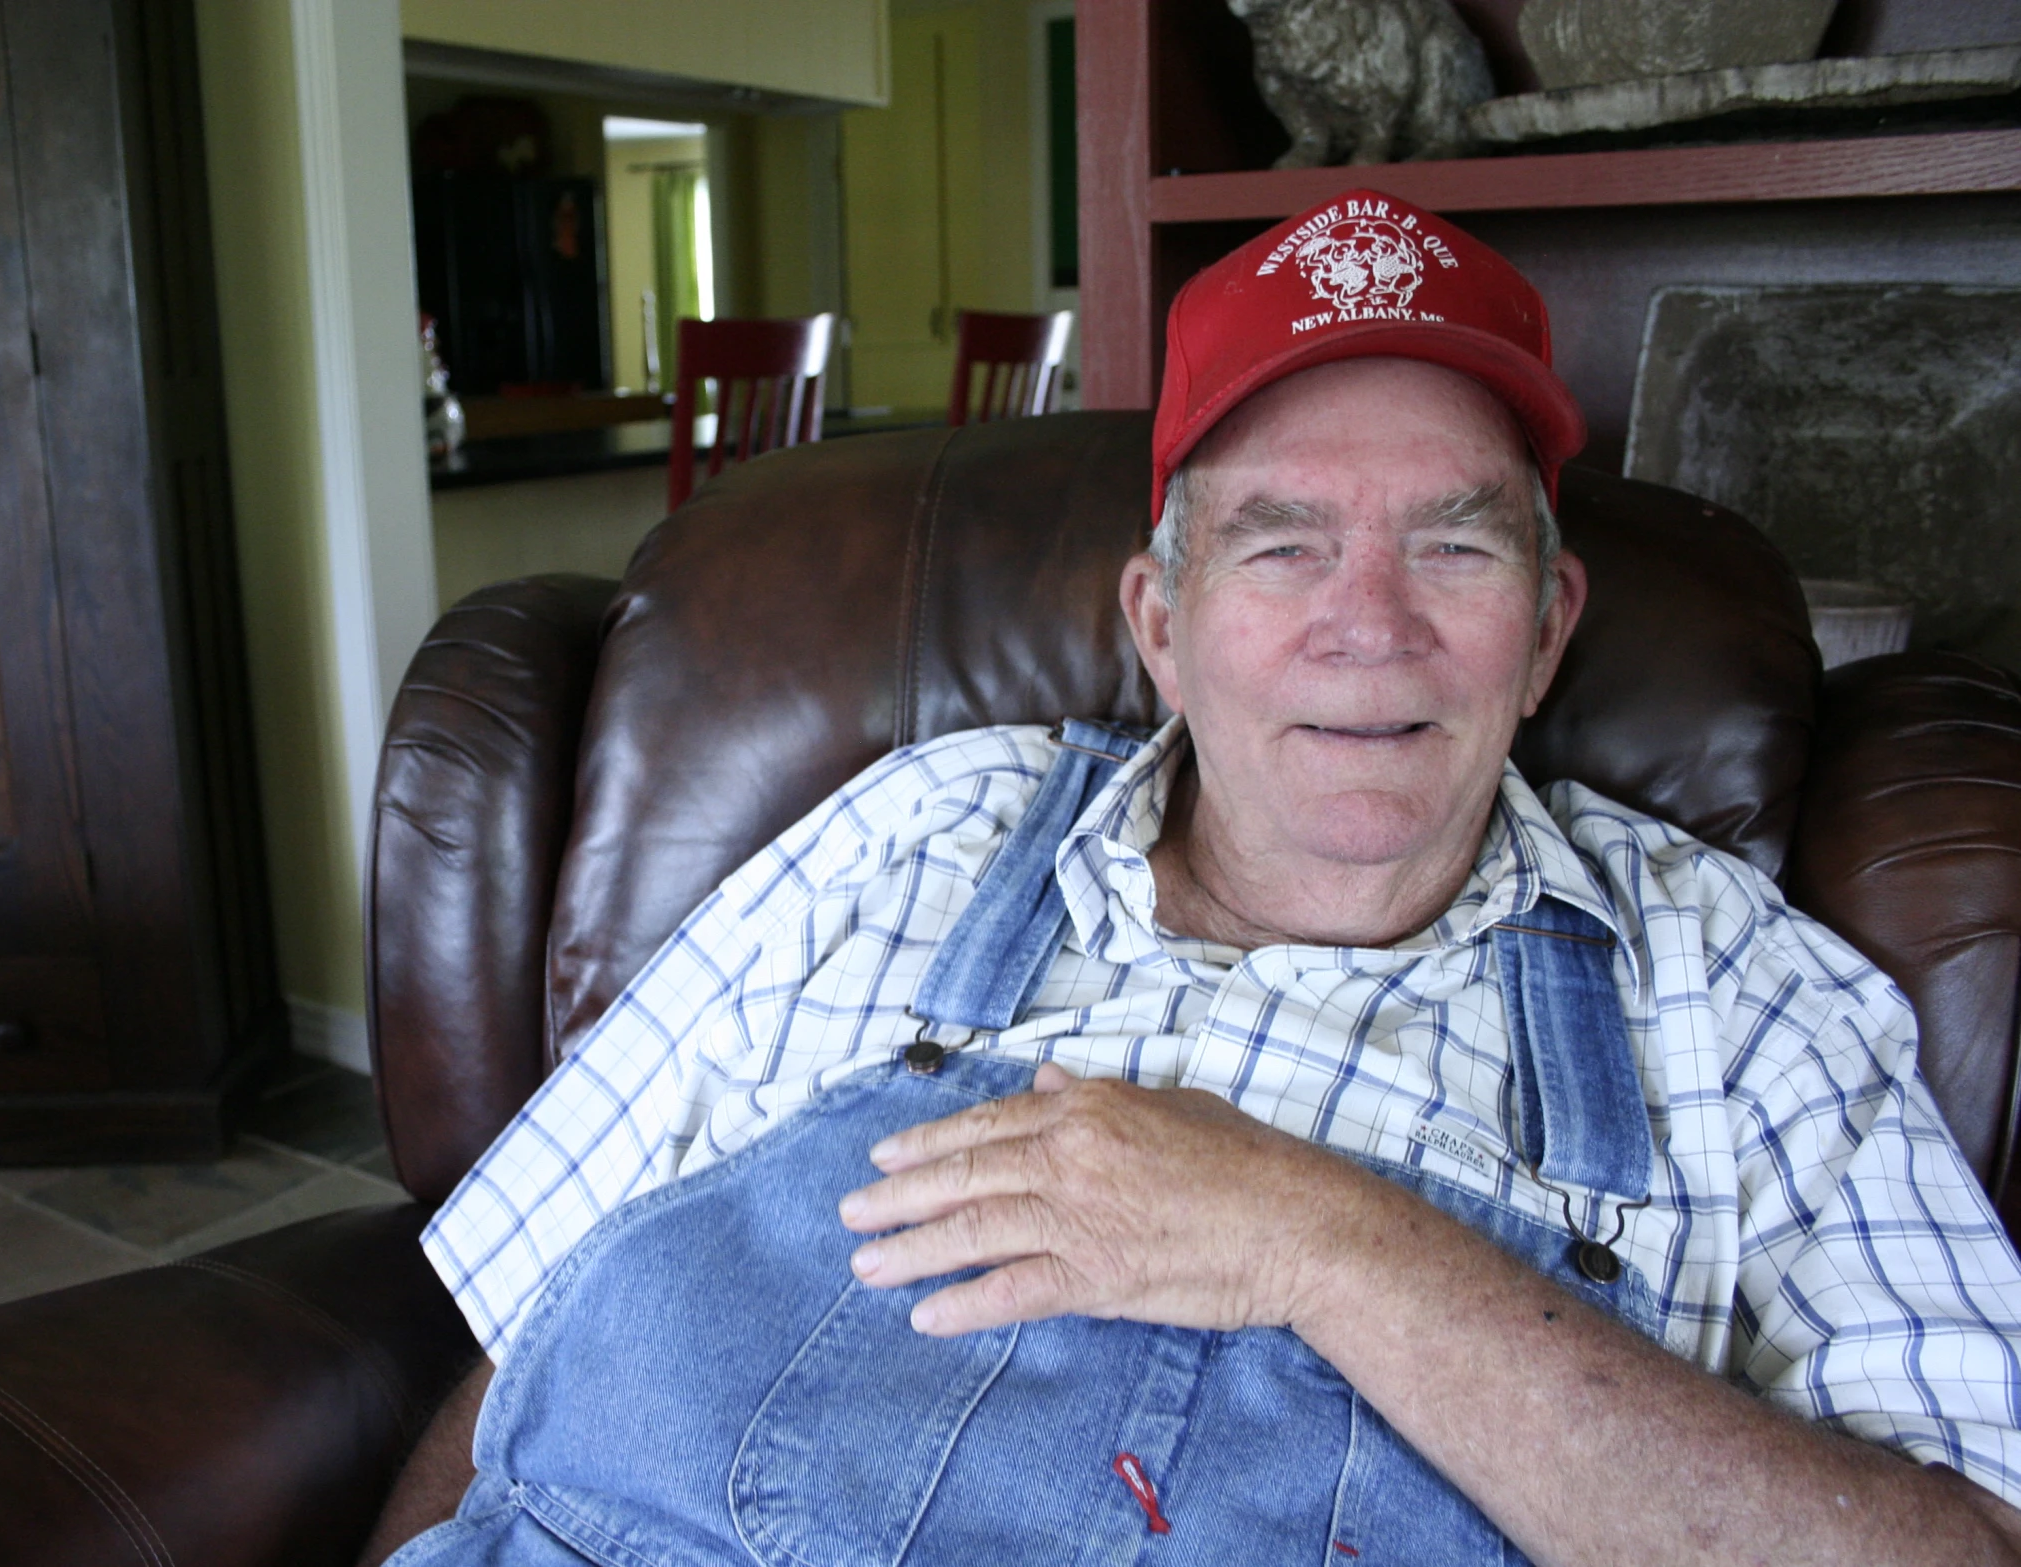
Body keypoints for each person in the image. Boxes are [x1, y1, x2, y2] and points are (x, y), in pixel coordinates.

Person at [361, 190, 2021, 1566]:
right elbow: (533, 1311)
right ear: (1160, 623)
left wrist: (1315, 1239)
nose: (1366, 623)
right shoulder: (917, 829)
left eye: (1452, 542)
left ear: (1547, 630)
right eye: (1281, 542)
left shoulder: (1734, 993)